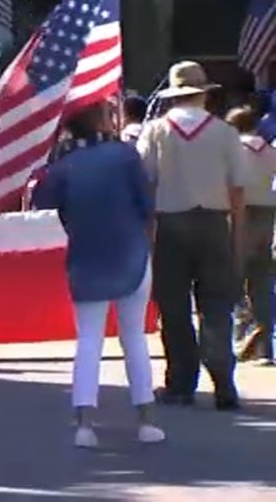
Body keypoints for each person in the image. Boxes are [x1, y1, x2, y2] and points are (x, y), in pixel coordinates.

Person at [33, 103, 165, 448]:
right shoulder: (125, 156)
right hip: (130, 251)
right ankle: (146, 419)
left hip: (87, 254)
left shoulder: (63, 166)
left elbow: (41, 202)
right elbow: (146, 205)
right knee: (133, 337)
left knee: (89, 340)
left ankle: (84, 424)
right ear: (104, 120)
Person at [136, 61, 244, 410]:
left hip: (170, 223)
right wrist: (237, 232)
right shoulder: (225, 133)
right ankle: (223, 381)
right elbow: (237, 189)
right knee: (216, 304)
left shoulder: (155, 131)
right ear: (204, 94)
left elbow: (146, 184)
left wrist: (146, 231)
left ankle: (181, 382)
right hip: (214, 221)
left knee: (174, 304)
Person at [226, 106, 276, 362]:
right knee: (262, 282)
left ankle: (240, 340)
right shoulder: (270, 151)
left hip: (238, 214)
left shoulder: (233, 152)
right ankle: (264, 344)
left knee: (234, 280)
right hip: (267, 214)